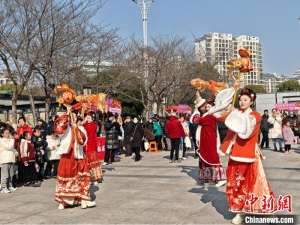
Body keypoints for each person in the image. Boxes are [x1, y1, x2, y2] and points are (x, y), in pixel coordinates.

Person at [220, 88, 275, 224]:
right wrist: (224, 100)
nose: (242, 102)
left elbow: (246, 131)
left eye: (245, 100)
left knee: (250, 183)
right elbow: (220, 116)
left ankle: (251, 209)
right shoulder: (236, 113)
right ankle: (240, 211)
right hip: (235, 155)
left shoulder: (255, 116)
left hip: (248, 154)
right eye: (240, 99)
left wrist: (233, 113)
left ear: (251, 101)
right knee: (234, 183)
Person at [54, 113, 95, 210]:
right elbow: (58, 130)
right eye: (71, 116)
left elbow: (82, 141)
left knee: (82, 178)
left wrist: (76, 128)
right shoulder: (65, 127)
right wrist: (65, 117)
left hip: (78, 157)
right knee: (65, 177)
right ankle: (62, 201)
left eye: (75, 116)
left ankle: (83, 200)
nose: (73, 118)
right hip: (67, 157)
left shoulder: (81, 128)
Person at [190, 98, 226, 187]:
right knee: (205, 159)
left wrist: (196, 109)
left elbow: (194, 120)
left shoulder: (210, 116)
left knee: (213, 160)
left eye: (207, 105)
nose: (206, 107)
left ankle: (220, 178)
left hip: (210, 142)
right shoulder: (207, 115)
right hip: (205, 141)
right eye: (204, 106)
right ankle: (207, 178)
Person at [83, 113, 102, 184]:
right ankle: (91, 177)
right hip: (86, 146)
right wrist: (83, 121)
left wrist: (83, 123)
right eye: (87, 118)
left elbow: (88, 131)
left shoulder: (93, 125)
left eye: (89, 118)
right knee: (87, 163)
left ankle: (97, 177)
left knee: (94, 163)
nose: (87, 119)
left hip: (92, 145)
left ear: (92, 118)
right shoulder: (85, 125)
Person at [0, 127, 18, 193]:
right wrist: (12, 139)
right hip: (4, 160)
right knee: (5, 175)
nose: (8, 134)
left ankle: (9, 186)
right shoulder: (1, 140)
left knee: (11, 174)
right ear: (2, 134)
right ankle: (3, 188)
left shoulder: (9, 140)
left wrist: (16, 152)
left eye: (8, 133)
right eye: (6, 133)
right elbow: (8, 147)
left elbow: (12, 148)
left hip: (10, 159)